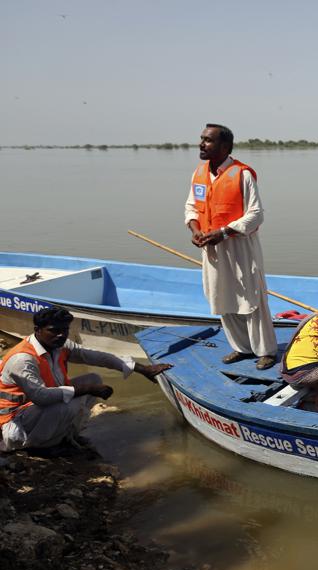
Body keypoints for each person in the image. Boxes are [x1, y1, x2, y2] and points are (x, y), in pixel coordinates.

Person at [0, 308, 172, 452]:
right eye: (54, 330)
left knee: (93, 379)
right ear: (37, 330)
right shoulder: (23, 359)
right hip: (14, 423)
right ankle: (40, 446)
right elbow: (41, 397)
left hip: (34, 411)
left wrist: (142, 369)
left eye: (65, 330)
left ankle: (67, 437)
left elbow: (97, 357)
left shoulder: (59, 346)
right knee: (66, 405)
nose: (61, 335)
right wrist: (86, 389)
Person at [185, 123, 278, 370]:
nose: (201, 143)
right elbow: (192, 208)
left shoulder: (242, 174)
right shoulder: (199, 174)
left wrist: (224, 232)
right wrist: (196, 231)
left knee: (251, 297)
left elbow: (256, 215)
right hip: (211, 248)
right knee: (221, 294)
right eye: (201, 138)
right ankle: (241, 348)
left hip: (239, 246)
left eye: (208, 140)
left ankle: (266, 351)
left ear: (224, 146)